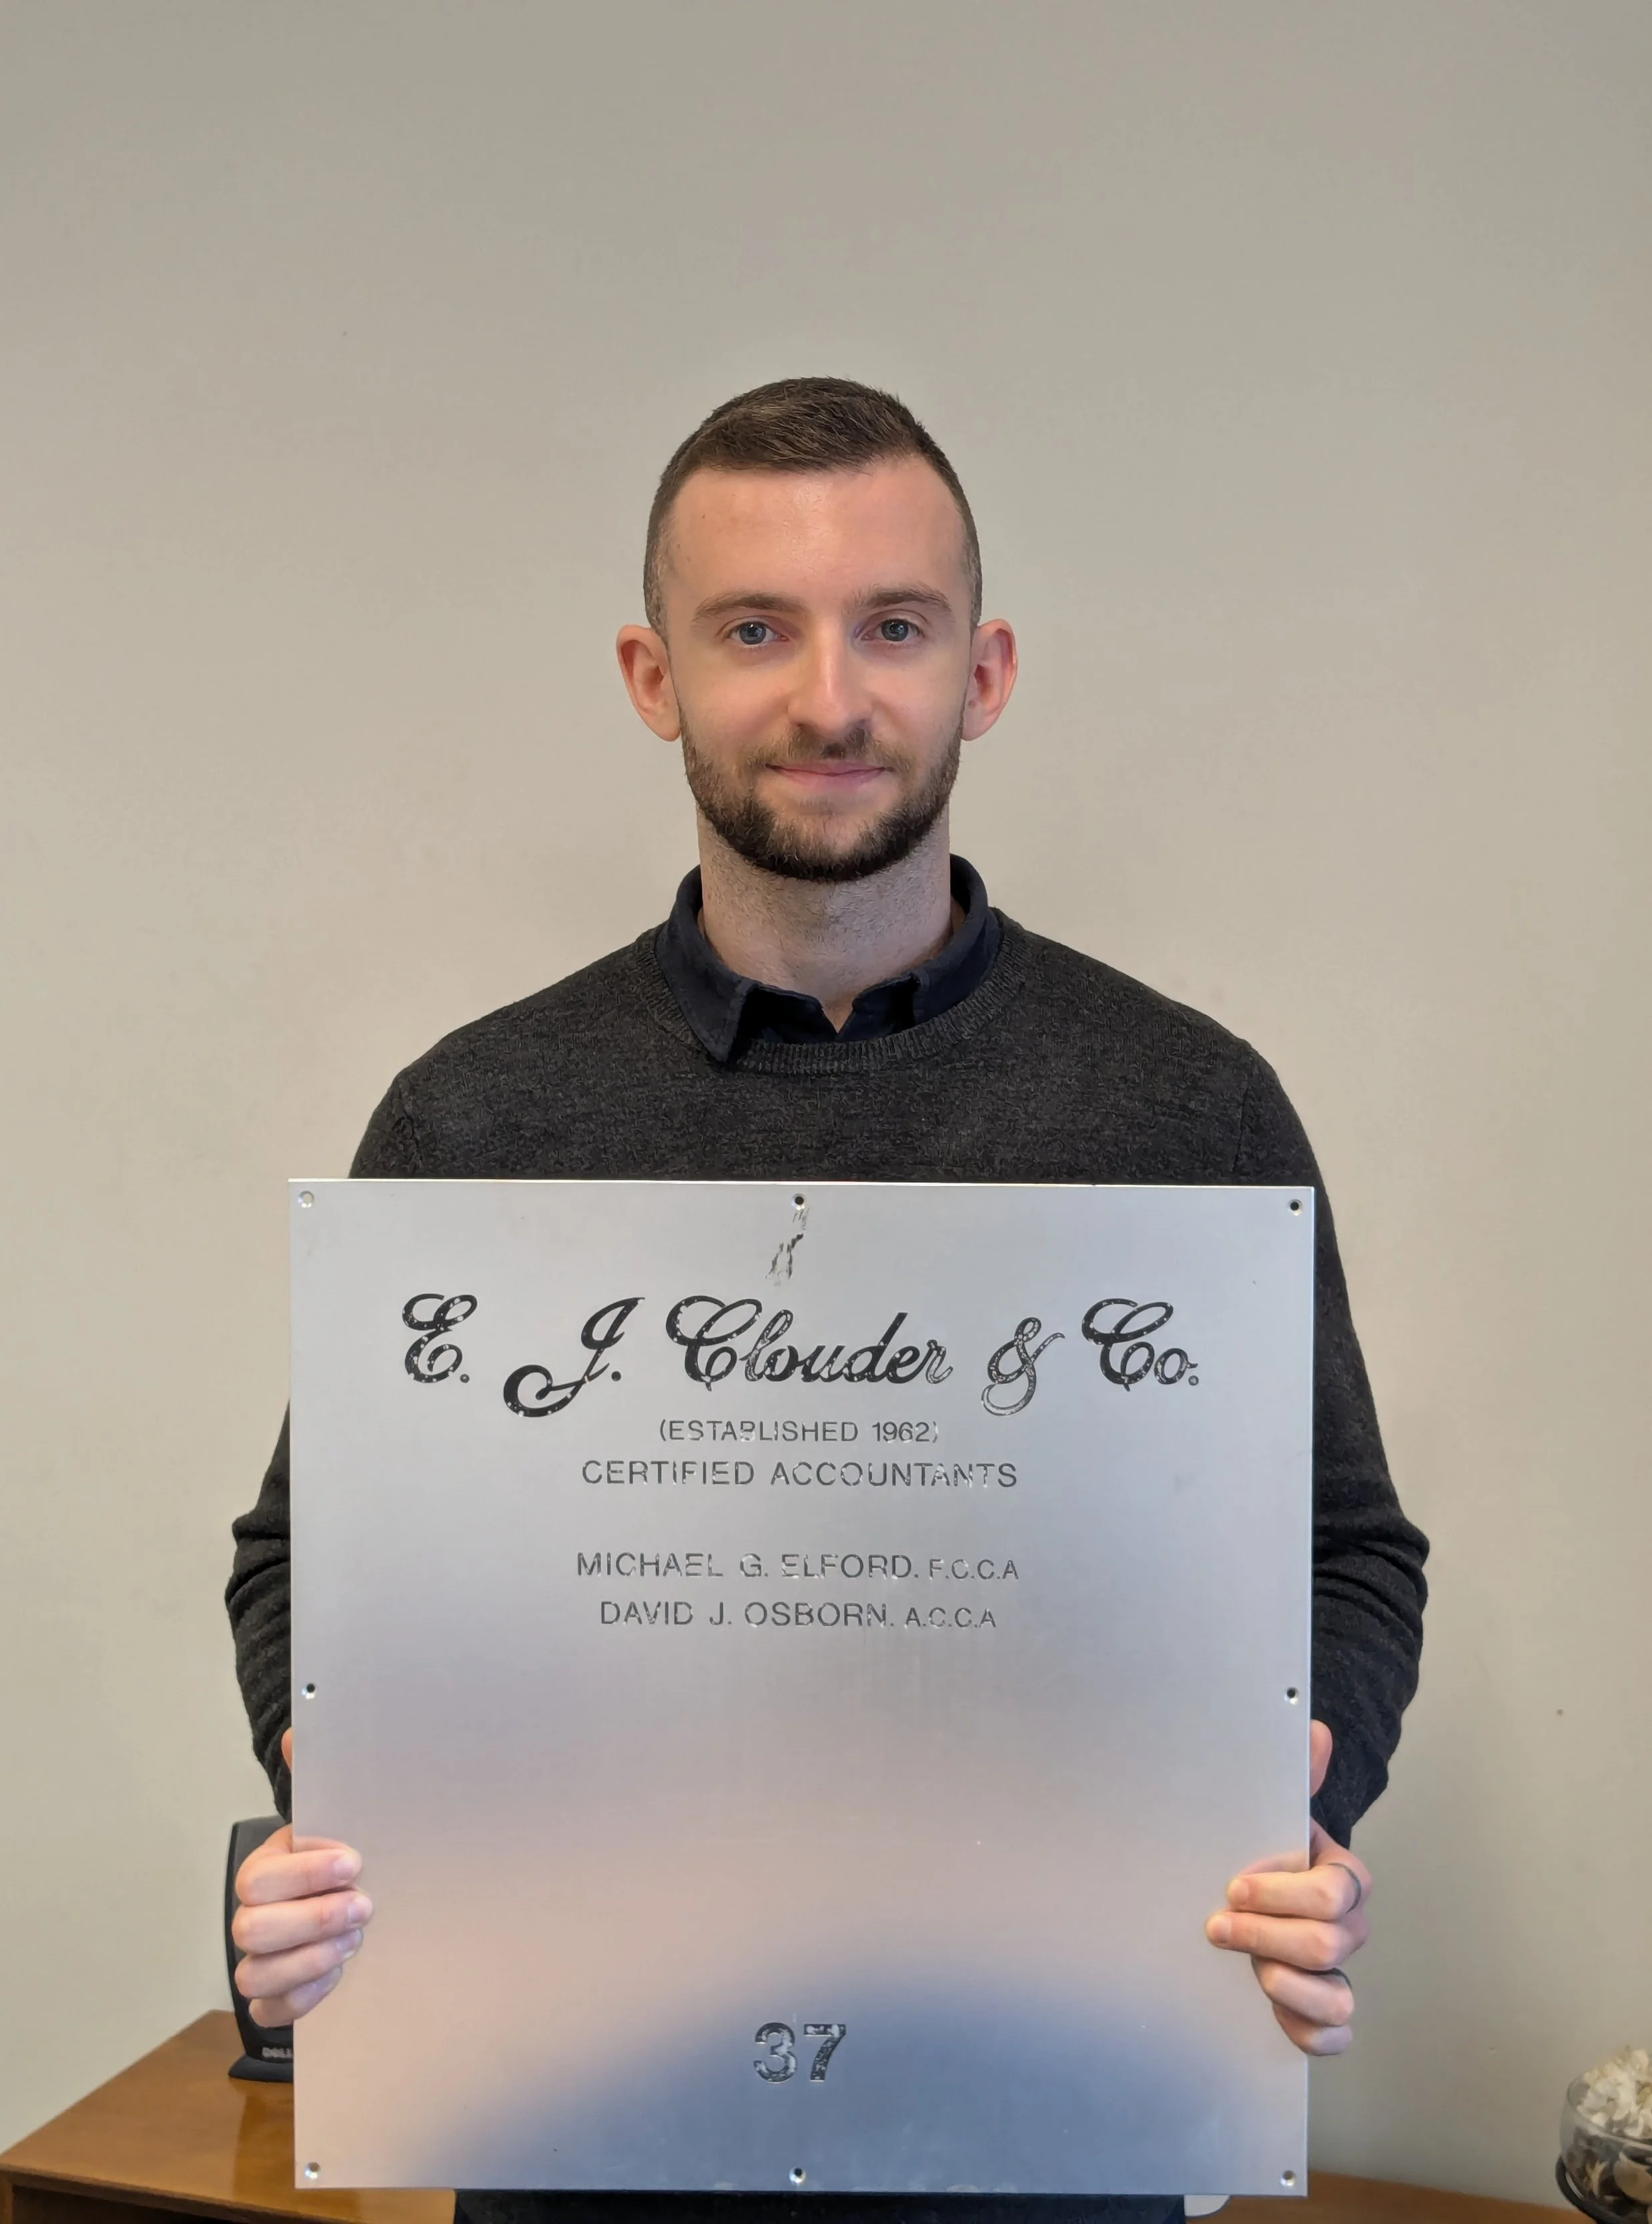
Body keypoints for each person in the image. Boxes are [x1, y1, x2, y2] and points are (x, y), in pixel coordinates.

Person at [227, 377, 1427, 2224]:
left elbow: (1346, 1551)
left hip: (1057, 2144)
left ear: (985, 669)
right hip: (578, 2144)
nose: (829, 697)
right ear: (652, 678)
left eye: (893, 626)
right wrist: (343, 1767)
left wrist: (1296, 1800)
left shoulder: (1187, 1105)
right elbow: (298, 1555)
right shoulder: (476, 1114)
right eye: (752, 631)